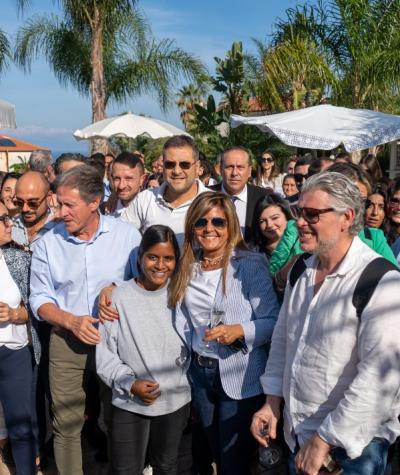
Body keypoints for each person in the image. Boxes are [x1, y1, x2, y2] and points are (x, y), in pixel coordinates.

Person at [251, 172, 400, 475]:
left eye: (311, 214)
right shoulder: (301, 271)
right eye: (297, 212)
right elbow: (284, 340)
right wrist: (272, 401)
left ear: (346, 217)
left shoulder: (381, 281)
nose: (299, 223)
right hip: (300, 436)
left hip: (354, 449)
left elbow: (378, 379)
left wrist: (324, 440)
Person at [29, 165, 142, 475]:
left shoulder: (127, 236)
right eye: (59, 203)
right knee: (66, 423)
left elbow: (145, 282)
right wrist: (71, 321)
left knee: (120, 417)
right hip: (67, 342)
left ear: (94, 203)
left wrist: (116, 289)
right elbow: (39, 299)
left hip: (117, 341)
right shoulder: (47, 243)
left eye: (69, 205)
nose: (61, 212)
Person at [170, 191, 280, 475]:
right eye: (201, 222)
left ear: (230, 225)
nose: (209, 229)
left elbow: (274, 319)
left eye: (218, 221)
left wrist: (239, 330)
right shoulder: (185, 266)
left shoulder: (250, 263)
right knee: (212, 450)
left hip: (240, 373)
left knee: (233, 461)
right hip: (201, 373)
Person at [97, 225, 191, 475]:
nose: (160, 265)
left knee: (166, 465)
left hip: (174, 401)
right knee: (125, 468)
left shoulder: (182, 294)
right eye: (153, 257)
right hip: (129, 400)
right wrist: (129, 382)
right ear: (140, 257)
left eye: (168, 258)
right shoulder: (118, 298)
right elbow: (106, 354)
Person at [0, 201, 37, 475]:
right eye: (2, 219)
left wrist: (14, 314)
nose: (10, 222)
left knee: (22, 427)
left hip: (14, 354)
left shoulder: (18, 259)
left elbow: (33, 312)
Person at [121, 135, 208, 246]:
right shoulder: (145, 199)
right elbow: (120, 235)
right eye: (170, 164)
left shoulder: (213, 203)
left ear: (197, 167)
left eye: (184, 165)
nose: (177, 171)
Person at [209, 146, 270, 244]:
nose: (234, 173)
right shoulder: (206, 196)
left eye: (240, 167)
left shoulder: (264, 197)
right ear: (220, 169)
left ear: (249, 171)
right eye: (229, 167)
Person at [12, 171, 55, 250]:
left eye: (32, 203)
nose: (25, 209)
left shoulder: (59, 229)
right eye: (19, 202)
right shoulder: (10, 225)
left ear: (48, 197)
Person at [250, 194, 292, 261]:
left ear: (286, 216)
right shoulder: (253, 254)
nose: (269, 225)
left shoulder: (303, 246)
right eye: (262, 221)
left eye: (274, 218)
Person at [102, 152, 144, 217]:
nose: (121, 186)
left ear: (142, 180)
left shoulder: (150, 209)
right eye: (117, 179)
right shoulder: (104, 210)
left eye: (128, 179)